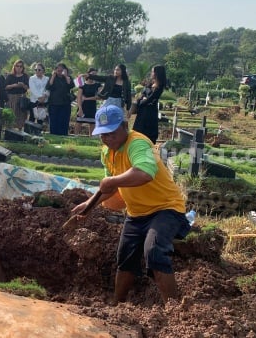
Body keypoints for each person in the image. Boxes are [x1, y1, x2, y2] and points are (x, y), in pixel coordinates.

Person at [71, 105, 190, 304]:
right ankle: (117, 305)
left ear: (125, 126)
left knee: (154, 250)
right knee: (125, 258)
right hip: (136, 213)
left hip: (165, 209)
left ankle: (175, 311)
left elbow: (144, 173)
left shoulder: (139, 144)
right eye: (103, 135)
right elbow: (108, 187)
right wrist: (89, 205)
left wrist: (113, 181)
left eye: (111, 133)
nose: (107, 139)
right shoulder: (107, 152)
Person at [132, 65, 166, 144]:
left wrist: (142, 101)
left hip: (150, 113)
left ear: (157, 73)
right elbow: (143, 94)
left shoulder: (159, 87)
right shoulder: (150, 83)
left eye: (153, 71)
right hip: (142, 110)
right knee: (138, 130)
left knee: (147, 133)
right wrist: (142, 100)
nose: (151, 73)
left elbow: (149, 99)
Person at [46, 62, 75, 135]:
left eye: (62, 70)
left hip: (65, 103)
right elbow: (48, 86)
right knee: (53, 121)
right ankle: (53, 135)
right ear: (55, 70)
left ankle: (63, 135)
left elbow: (71, 85)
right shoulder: (52, 77)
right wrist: (53, 76)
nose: (60, 72)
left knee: (64, 121)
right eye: (58, 70)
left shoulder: (68, 77)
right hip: (53, 103)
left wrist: (65, 76)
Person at [74, 68, 101, 136]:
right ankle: (75, 136)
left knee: (92, 123)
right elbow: (79, 97)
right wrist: (80, 108)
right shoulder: (82, 85)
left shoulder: (98, 85)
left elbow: (99, 97)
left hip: (92, 106)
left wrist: (86, 99)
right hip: (83, 106)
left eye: (95, 74)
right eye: (92, 74)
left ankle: (91, 138)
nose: (93, 76)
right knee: (79, 121)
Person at [4, 59, 29, 129]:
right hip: (12, 98)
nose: (19, 68)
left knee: (21, 115)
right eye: (17, 66)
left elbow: (27, 87)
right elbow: (5, 87)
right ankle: (10, 130)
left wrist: (23, 85)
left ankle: (20, 130)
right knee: (12, 115)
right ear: (14, 67)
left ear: (23, 68)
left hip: (22, 97)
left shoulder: (25, 76)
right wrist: (14, 85)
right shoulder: (10, 76)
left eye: (21, 66)